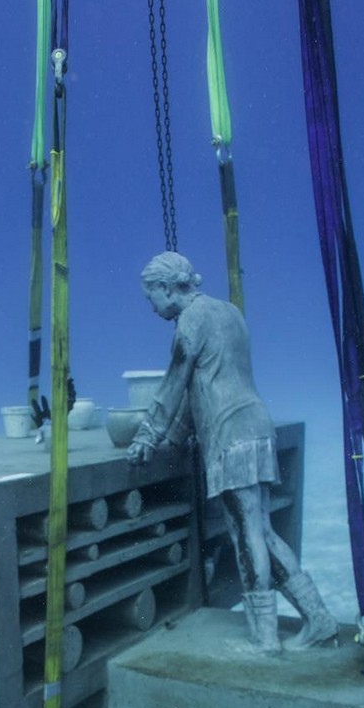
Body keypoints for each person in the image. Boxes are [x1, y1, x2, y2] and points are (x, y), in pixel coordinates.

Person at [127, 251, 335, 653]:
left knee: (245, 534)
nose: (150, 305)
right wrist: (176, 436)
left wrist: (148, 436)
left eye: (150, 295)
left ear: (168, 287)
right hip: (256, 423)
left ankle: (264, 638)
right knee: (263, 530)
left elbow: (175, 383)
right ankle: (319, 619)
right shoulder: (228, 311)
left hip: (229, 435)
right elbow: (205, 381)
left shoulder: (189, 321)